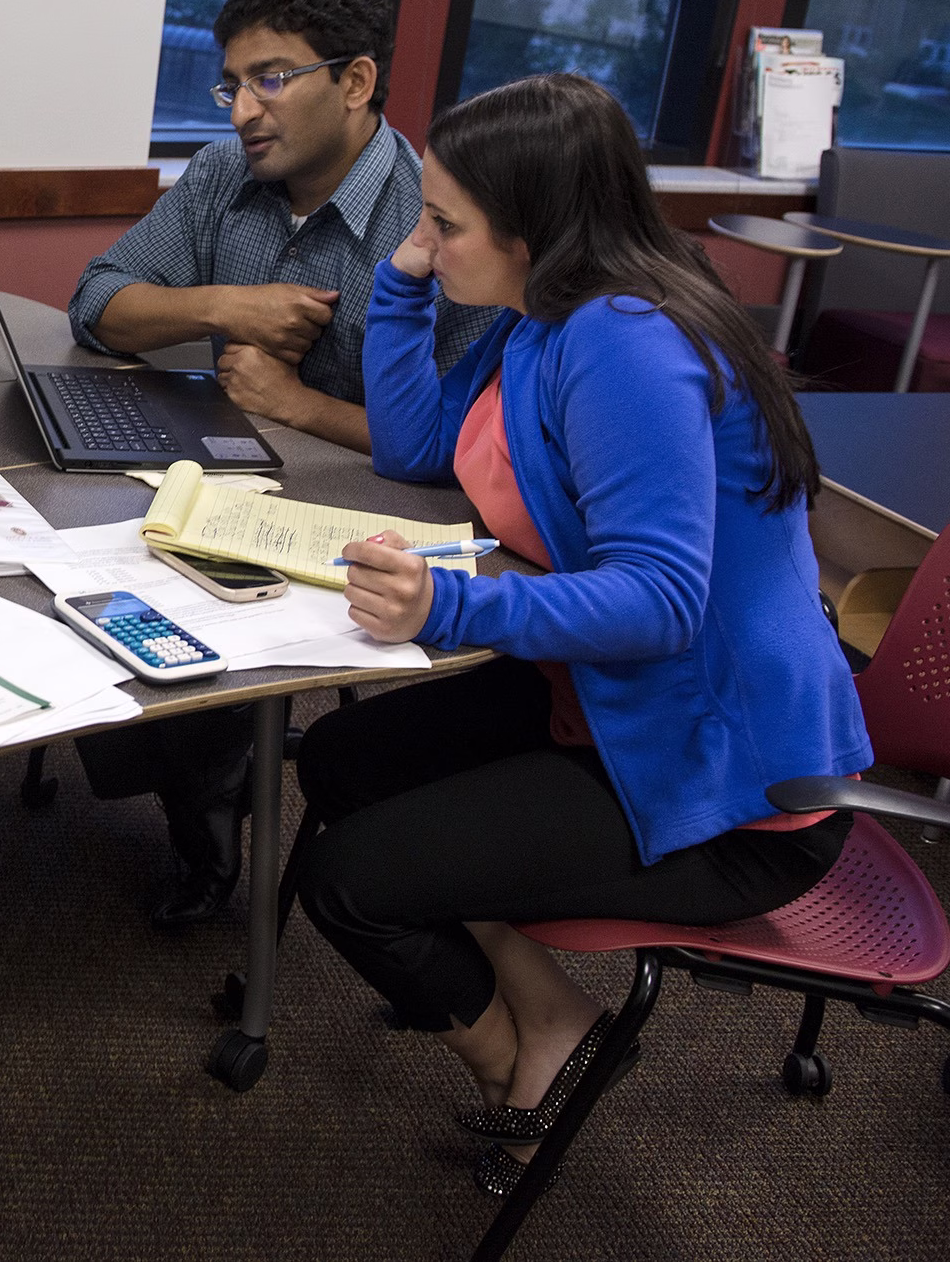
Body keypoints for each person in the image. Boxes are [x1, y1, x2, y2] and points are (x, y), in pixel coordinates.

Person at [297, 72, 870, 1196]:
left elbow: (660, 599)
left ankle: (534, 1067)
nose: (430, 236)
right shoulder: (550, 314)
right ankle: (550, 1001)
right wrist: (405, 278)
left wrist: (449, 605)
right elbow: (415, 448)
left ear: (532, 230)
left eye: (446, 223)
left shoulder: (622, 340)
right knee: (339, 760)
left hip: (739, 784)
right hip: (615, 705)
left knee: (352, 879)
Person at [63, 0, 498, 929]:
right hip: (225, 478)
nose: (243, 111)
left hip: (377, 516)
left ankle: (208, 791)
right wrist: (227, 304)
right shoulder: (226, 178)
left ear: (354, 82)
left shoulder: (426, 216)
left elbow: (469, 443)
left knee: (196, 608)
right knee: (89, 548)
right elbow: (97, 303)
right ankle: (197, 770)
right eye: (232, 85)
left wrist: (297, 402)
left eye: (271, 78)